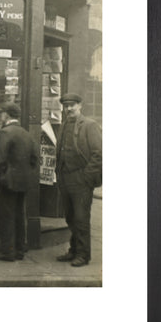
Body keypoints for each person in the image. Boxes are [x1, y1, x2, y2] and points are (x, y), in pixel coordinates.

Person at [55, 93, 102, 267]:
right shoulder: (63, 125)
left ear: (80, 105)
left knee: (81, 218)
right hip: (65, 178)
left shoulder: (90, 125)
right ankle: (73, 250)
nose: (68, 109)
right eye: (66, 106)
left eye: (72, 105)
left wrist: (86, 176)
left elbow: (99, 154)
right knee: (70, 217)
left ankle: (83, 255)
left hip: (81, 179)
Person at [0, 103, 39, 262]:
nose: (1, 117)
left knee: (7, 216)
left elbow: (0, 159)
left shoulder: (5, 133)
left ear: (6, 115)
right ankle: (20, 249)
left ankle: (8, 251)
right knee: (20, 215)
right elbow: (35, 158)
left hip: (8, 180)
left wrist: (0, 176)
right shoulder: (26, 133)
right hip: (24, 181)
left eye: (2, 114)